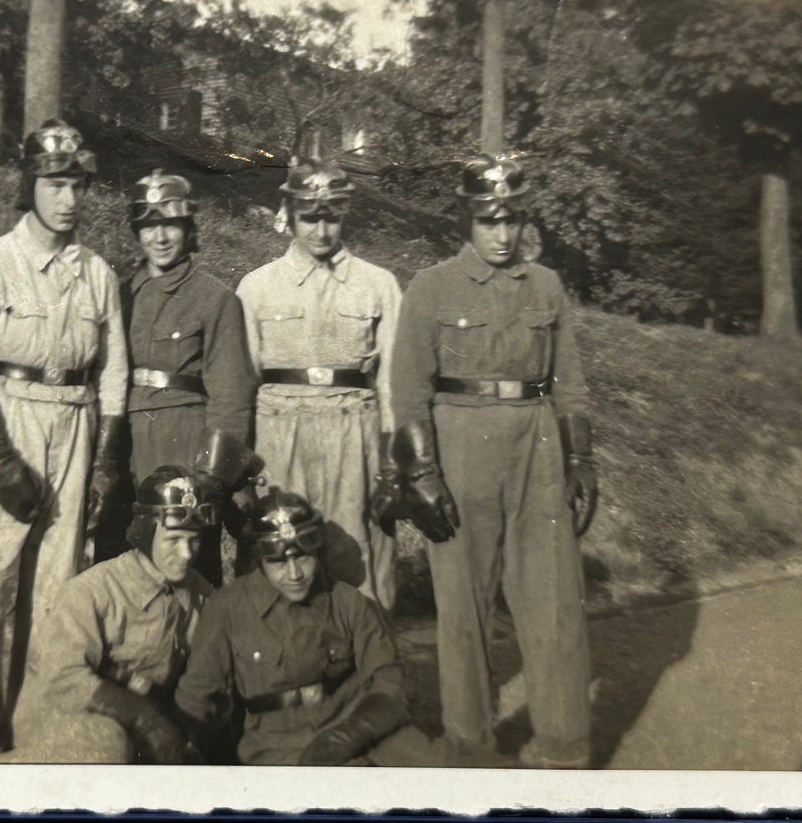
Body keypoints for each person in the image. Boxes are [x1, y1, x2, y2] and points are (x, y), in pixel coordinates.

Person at [386, 153, 599, 769]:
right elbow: (408, 390)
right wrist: (422, 473)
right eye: (489, 221)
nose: (502, 235)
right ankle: (469, 743)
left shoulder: (547, 287)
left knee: (554, 598)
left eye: (512, 221)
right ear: (468, 220)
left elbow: (571, 382)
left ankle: (564, 746)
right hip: (460, 445)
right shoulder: (430, 287)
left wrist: (581, 456)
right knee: (462, 604)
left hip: (537, 448)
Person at [0, 119, 129, 762]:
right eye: (54, 183)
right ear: (30, 186)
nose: (68, 197)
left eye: (78, 184)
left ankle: (35, 728)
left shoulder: (98, 274)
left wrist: (105, 462)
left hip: (76, 418)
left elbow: (115, 371)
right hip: (8, 416)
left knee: (58, 583)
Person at [235, 159, 402, 609]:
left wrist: (390, 463)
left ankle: (366, 670)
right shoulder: (256, 288)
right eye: (310, 216)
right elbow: (244, 383)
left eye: (331, 216)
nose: (321, 229)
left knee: (358, 558)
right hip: (280, 436)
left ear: (344, 214)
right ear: (288, 214)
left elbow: (391, 386)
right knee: (281, 549)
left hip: (355, 432)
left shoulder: (379, 285)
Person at [173, 489, 435, 765]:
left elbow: (390, 678)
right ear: (259, 560)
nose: (295, 573)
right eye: (279, 562)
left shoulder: (345, 600)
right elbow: (198, 696)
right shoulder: (228, 608)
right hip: (278, 746)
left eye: (303, 557)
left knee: (434, 766)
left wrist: (349, 734)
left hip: (356, 725)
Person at [0, 466, 220, 764]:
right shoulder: (92, 591)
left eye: (194, 540)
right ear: (146, 532)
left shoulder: (200, 595)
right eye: (173, 540)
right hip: (62, 720)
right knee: (108, 744)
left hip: (140, 725)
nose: (186, 553)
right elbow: (64, 679)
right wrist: (144, 719)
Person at [120, 169, 258, 583]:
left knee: (189, 564)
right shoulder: (121, 293)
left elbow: (231, 397)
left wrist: (210, 478)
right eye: (149, 226)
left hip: (183, 442)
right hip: (128, 442)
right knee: (126, 560)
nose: (160, 238)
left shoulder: (215, 297)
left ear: (188, 228)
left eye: (171, 225)